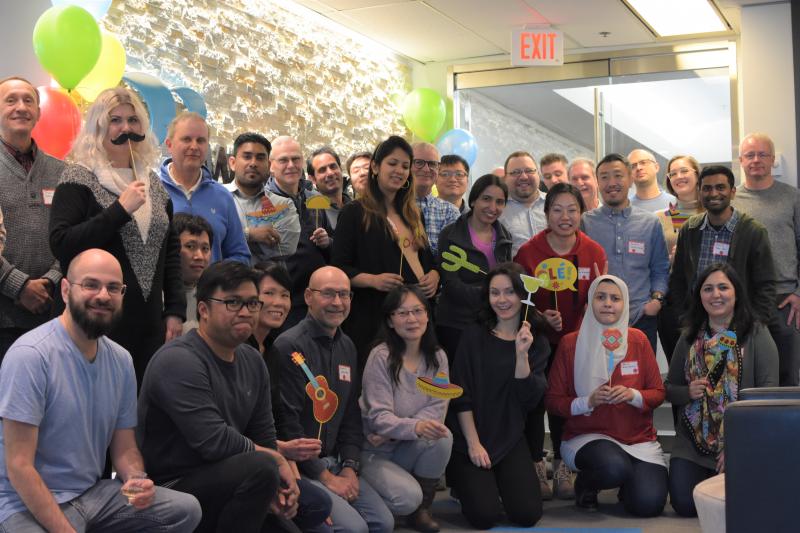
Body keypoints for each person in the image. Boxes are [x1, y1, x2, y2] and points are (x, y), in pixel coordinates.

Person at [0, 248, 201, 532]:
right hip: (24, 503)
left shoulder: (121, 360)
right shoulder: (31, 355)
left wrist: (135, 480)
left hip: (91, 495)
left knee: (184, 510)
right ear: (66, 290)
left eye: (113, 288)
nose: (103, 296)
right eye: (91, 285)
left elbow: (125, 447)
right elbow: (19, 467)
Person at [138, 260, 319, 533]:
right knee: (263, 467)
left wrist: (279, 486)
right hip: (173, 486)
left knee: (312, 504)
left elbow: (264, 435)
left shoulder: (253, 360)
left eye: (252, 303)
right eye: (233, 302)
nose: (245, 312)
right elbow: (214, 442)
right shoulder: (178, 359)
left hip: (231, 475)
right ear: (203, 310)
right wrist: (277, 460)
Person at [49, 87, 185, 384]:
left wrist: (175, 309)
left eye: (133, 120)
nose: (126, 128)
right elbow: (62, 244)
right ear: (98, 127)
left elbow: (171, 252)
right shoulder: (78, 177)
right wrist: (120, 210)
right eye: (115, 120)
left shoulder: (152, 183)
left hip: (149, 324)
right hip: (96, 320)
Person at [275, 266, 394, 533]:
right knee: (355, 529)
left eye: (344, 294)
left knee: (383, 523)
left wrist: (350, 466)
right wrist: (324, 476)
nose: (338, 302)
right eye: (328, 294)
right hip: (301, 468)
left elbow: (350, 414)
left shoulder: (347, 346)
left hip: (337, 461)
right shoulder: (289, 346)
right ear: (308, 296)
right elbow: (287, 423)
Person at [513, 182, 607, 500]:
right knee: (535, 402)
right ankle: (536, 464)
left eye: (572, 210)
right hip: (537, 343)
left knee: (567, 403)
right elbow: (518, 301)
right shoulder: (529, 253)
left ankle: (565, 463)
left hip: (577, 344)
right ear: (546, 213)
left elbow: (601, 299)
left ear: (582, 213)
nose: (565, 217)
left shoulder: (593, 252)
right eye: (557, 210)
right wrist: (541, 318)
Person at [545, 275, 668, 517]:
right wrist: (587, 402)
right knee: (614, 467)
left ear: (625, 303)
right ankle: (586, 485)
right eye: (600, 297)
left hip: (637, 441)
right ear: (590, 302)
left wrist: (632, 395)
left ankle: (627, 484)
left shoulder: (638, 340)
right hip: (586, 437)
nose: (608, 304)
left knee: (648, 504)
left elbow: (658, 393)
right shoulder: (570, 344)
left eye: (615, 298)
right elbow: (552, 401)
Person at [665, 263, 778, 517]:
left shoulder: (757, 333)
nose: (716, 295)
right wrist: (687, 392)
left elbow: (768, 397)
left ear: (736, 292)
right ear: (699, 296)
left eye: (723, 287)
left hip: (742, 438)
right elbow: (669, 389)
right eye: (708, 289)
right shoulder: (688, 336)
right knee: (684, 504)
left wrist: (738, 445)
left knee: (742, 504)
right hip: (692, 441)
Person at [445, 262, 548, 530]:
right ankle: (466, 484)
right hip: (470, 436)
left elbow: (529, 399)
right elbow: (460, 395)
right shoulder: (473, 334)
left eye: (509, 292)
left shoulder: (536, 341)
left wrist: (521, 355)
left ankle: (495, 485)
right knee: (484, 516)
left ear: (522, 294)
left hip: (509, 435)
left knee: (527, 514)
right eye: (495, 293)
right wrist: (473, 444)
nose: (502, 300)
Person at [332, 136, 439, 367]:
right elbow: (338, 268)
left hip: (416, 320)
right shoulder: (354, 213)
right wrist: (373, 280)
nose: (399, 171)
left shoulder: (413, 213)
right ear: (375, 166)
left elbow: (427, 260)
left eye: (405, 166)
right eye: (392, 163)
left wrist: (434, 275)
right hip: (375, 318)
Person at [359, 285, 452, 533]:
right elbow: (378, 417)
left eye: (417, 311)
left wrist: (397, 430)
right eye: (402, 313)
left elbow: (436, 408)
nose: (412, 319)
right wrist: (413, 427)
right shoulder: (380, 357)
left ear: (427, 315)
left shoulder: (438, 357)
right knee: (407, 498)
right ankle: (383, 499)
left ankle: (422, 510)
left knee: (442, 436)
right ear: (390, 321)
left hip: (403, 445)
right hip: (376, 453)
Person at [251, 262, 335, 533]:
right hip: (248, 461)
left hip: (275, 458)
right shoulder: (239, 348)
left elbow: (280, 420)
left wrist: (295, 482)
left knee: (319, 507)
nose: (279, 302)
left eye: (285, 295)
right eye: (269, 293)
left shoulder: (273, 350)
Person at [0, 77, 65, 359]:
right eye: (10, 100)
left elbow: (71, 235)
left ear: (38, 113)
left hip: (52, 315)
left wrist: (51, 281)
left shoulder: (62, 171)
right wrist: (19, 286)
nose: (21, 107)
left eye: (28, 100)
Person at [583, 153, 670, 353]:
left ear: (630, 179)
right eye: (604, 177)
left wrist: (657, 300)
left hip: (641, 318)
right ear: (597, 182)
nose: (611, 183)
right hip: (598, 318)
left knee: (640, 372)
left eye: (618, 175)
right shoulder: (585, 222)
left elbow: (660, 267)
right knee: (601, 371)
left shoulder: (650, 222)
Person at [732, 132, 800, 386]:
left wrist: (799, 293)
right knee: (744, 375)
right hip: (744, 299)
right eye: (750, 155)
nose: (756, 160)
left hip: (786, 302)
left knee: (788, 375)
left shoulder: (792, 197)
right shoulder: (731, 201)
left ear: (772, 159)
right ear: (741, 160)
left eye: (763, 154)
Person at [669, 165, 775, 327]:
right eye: (707, 188)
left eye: (720, 187)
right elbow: (678, 279)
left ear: (732, 192)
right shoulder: (689, 229)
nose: (713, 194)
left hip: (740, 324)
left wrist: (754, 326)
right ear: (699, 192)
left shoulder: (753, 232)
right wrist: (684, 318)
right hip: (696, 324)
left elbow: (766, 285)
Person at [436, 174, 512, 363]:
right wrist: (491, 296)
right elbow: (451, 285)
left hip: (492, 325)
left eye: (500, 202)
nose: (493, 207)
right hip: (456, 324)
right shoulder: (450, 234)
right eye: (486, 199)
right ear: (473, 200)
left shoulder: (505, 237)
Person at [160, 111, 250, 263]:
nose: (194, 146)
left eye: (201, 140)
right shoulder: (152, 190)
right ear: (169, 145)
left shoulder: (223, 197)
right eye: (187, 139)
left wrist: (214, 273)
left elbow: (240, 255)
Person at [267, 136, 332, 329]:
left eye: (296, 159)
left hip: (317, 301)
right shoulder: (262, 203)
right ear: (271, 166)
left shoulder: (316, 200)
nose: (291, 165)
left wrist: (327, 242)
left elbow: (333, 245)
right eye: (283, 160)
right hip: (284, 302)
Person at [656, 155, 704, 366]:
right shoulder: (661, 217)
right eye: (673, 173)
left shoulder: (713, 211)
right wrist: (671, 260)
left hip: (708, 298)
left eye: (684, 171)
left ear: (697, 174)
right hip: (673, 302)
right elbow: (655, 263)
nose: (679, 176)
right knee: (678, 366)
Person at [226, 132, 300, 263]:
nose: (253, 163)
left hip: (268, 276)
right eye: (247, 157)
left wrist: (229, 240)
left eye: (260, 158)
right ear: (232, 163)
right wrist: (250, 235)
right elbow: (209, 239)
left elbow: (286, 248)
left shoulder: (283, 205)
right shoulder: (216, 197)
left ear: (269, 165)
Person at [412, 142, 459, 255]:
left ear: (438, 169)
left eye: (432, 164)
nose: (426, 169)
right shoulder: (391, 205)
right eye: (419, 162)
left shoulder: (450, 212)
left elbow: (451, 257)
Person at [499, 150, 547, 257]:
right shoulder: (497, 210)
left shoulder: (554, 203)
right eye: (515, 172)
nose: (524, 177)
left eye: (529, 171)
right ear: (505, 178)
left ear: (538, 174)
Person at [173, 213, 213, 333]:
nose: (200, 256)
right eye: (190, 246)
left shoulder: (216, 298)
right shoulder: (154, 299)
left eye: (205, 249)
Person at [307, 146, 352, 231]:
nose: (330, 173)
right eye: (322, 170)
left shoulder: (356, 207)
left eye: (333, 166)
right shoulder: (311, 215)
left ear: (340, 169)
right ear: (312, 179)